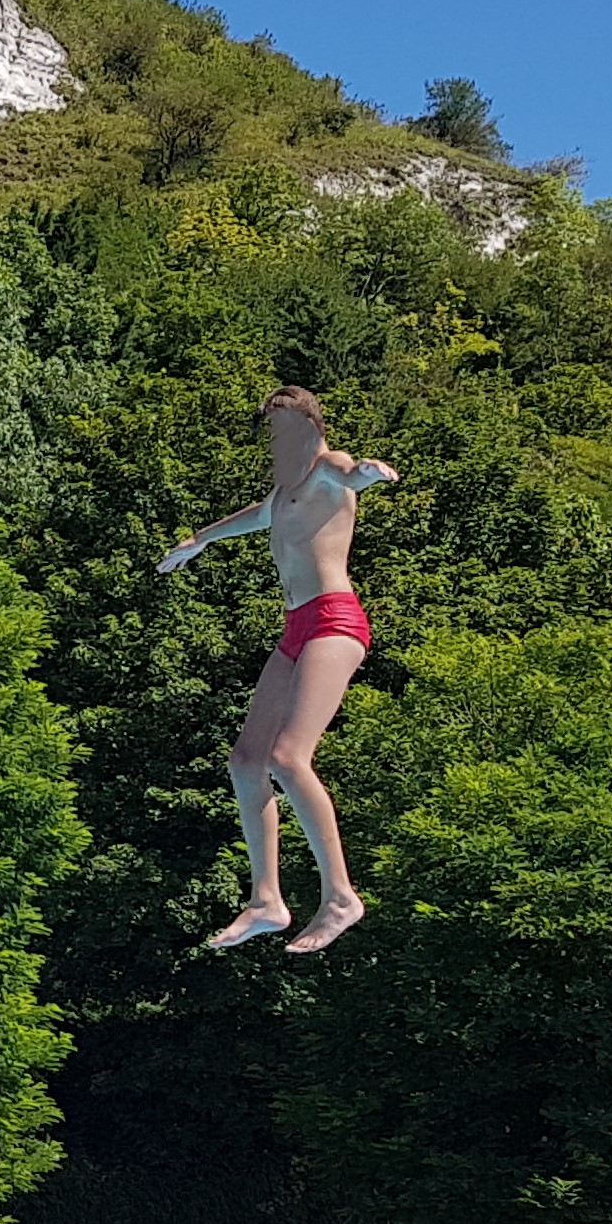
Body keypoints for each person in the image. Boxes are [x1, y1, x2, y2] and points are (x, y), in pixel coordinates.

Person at [156, 386, 396, 956]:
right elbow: (255, 516)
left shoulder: (327, 469)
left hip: (335, 620)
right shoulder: (285, 492)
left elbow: (350, 474)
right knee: (246, 761)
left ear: (312, 427)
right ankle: (267, 900)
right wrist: (200, 540)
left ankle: (340, 897)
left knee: (288, 758)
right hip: (296, 627)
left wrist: (367, 471)